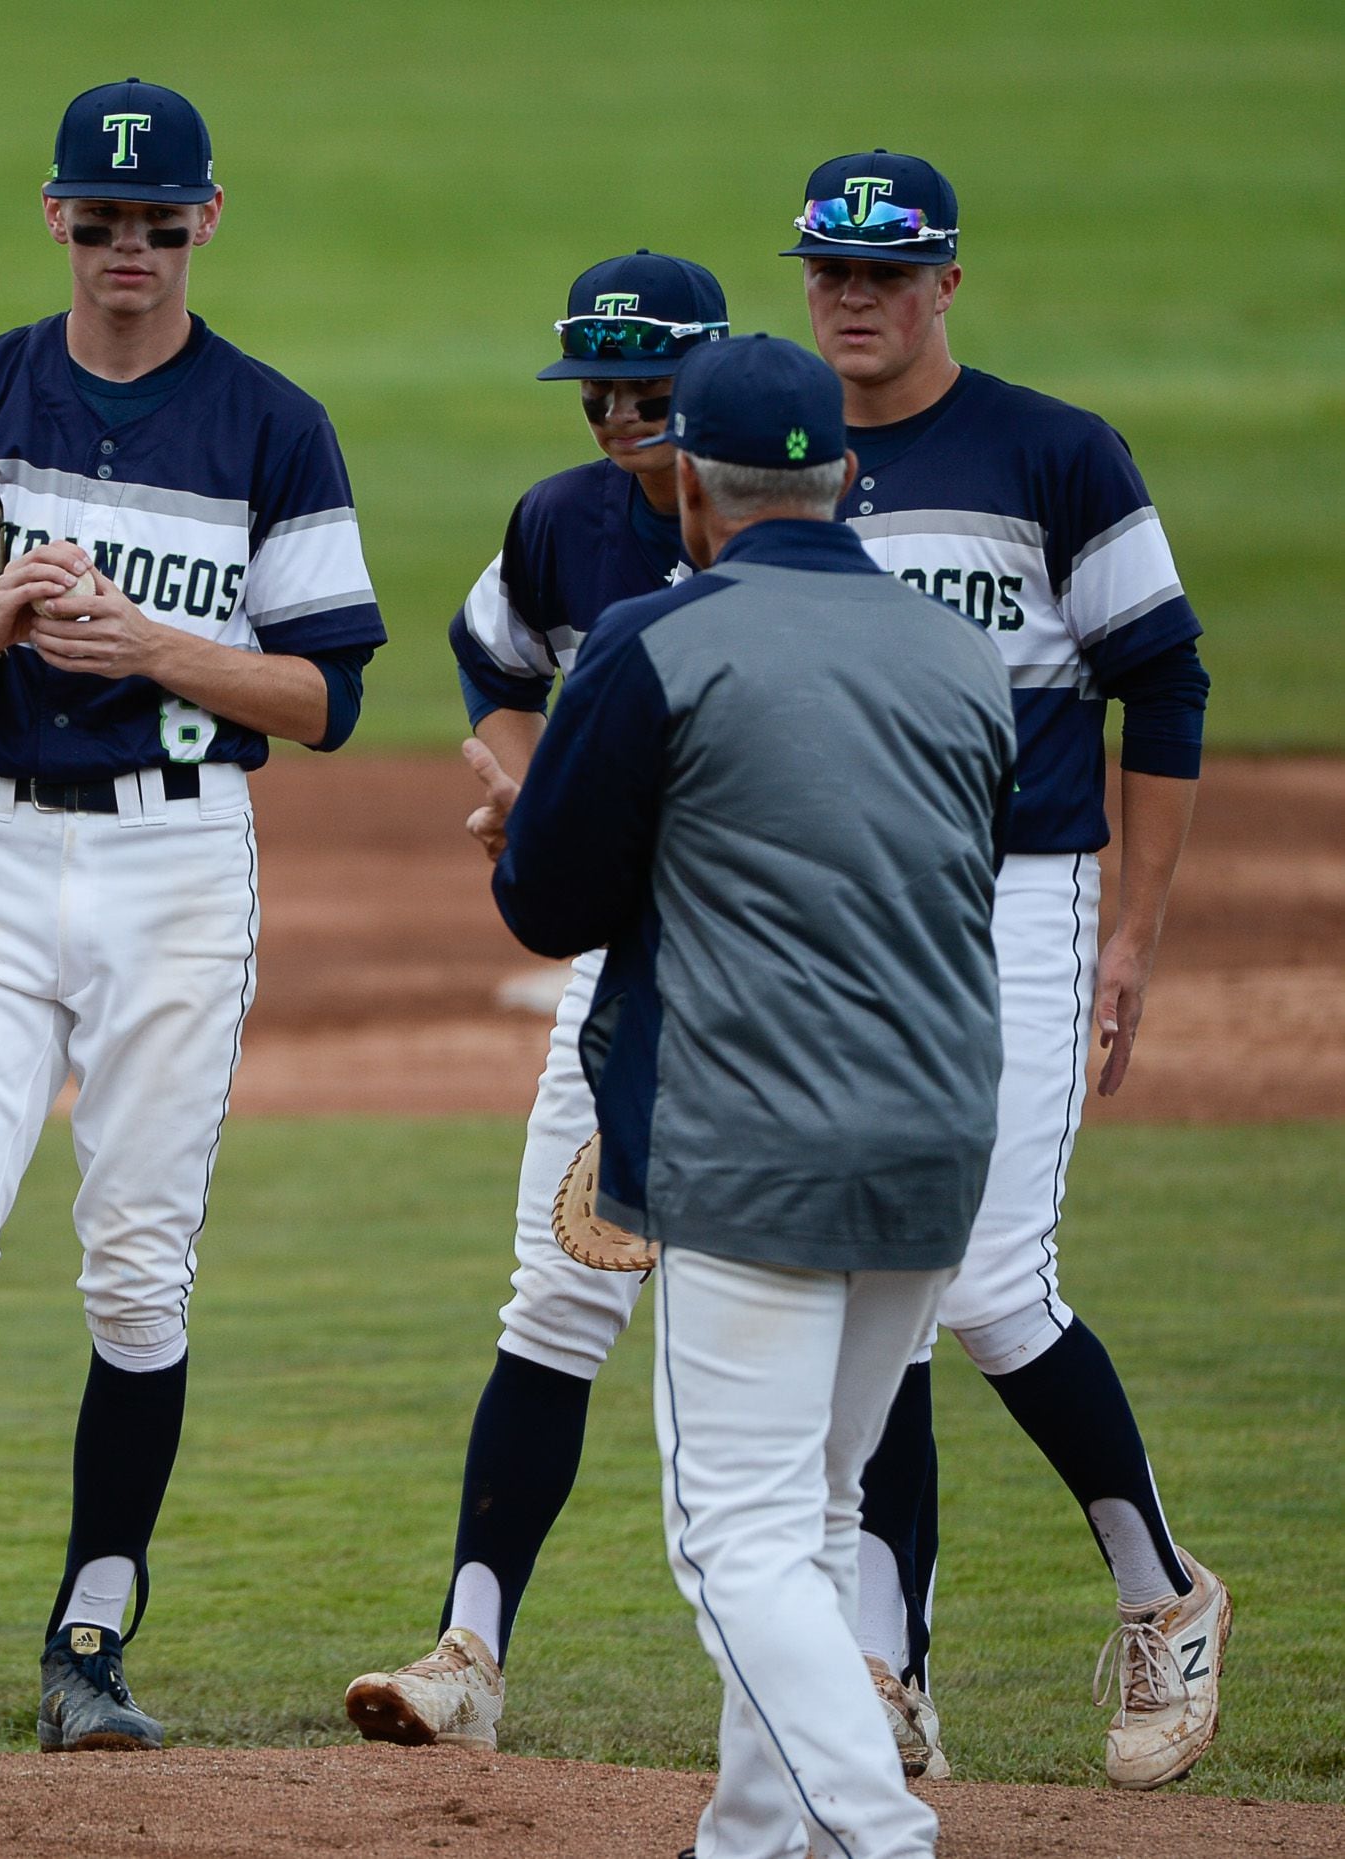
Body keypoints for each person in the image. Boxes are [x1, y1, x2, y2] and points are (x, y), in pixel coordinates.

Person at [0, 77, 387, 1758]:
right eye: (99, 220)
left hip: (183, 870)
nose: (129, 249)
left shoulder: (273, 425)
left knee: (136, 1271)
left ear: (206, 220)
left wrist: (152, 651)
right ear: (56, 218)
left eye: (158, 222)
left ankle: (89, 1641)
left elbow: (324, 695)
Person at [469, 333, 1013, 1859]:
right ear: (842, 478)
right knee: (818, 1518)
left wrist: (548, 821)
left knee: (733, 1545)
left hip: (753, 1144)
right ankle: (751, 1842)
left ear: (695, 493)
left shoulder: (653, 639)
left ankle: (875, 1836)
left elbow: (546, 903)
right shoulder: (962, 654)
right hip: (940, 1135)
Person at [789, 149, 1225, 1789]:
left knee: (978, 1280)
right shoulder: (781, 457)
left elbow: (1164, 683)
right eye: (831, 271)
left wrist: (1137, 926)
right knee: (872, 1293)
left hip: (1015, 900)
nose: (855, 299)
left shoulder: (1054, 454)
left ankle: (1165, 1596)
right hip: (843, 921)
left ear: (947, 282)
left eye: (886, 274)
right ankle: (891, 1681)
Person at [342, 251, 723, 1751]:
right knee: (556, 1295)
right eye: (600, 389)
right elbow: (492, 660)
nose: (621, 413)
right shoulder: (563, 526)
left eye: (651, 388)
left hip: (788, 990)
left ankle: (895, 1683)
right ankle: (470, 1654)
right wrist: (527, 778)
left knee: (849, 1332)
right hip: (623, 980)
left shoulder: (807, 521)